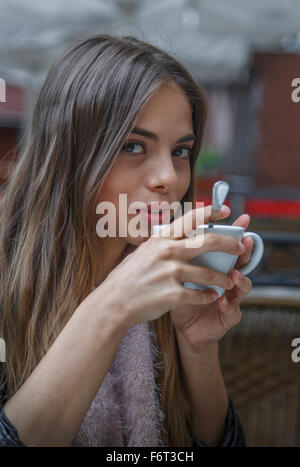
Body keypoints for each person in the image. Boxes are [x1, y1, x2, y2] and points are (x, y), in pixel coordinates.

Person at [0, 34, 253, 447]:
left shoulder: (174, 285)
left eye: (181, 151)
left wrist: (198, 349)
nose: (169, 178)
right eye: (133, 146)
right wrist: (113, 306)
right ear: (70, 153)